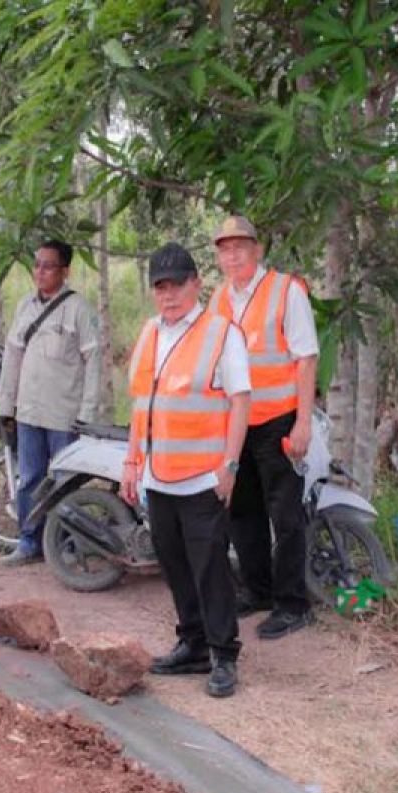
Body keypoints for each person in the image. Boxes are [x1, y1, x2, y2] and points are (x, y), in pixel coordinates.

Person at [120, 243, 250, 699]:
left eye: (177, 284)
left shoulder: (220, 333)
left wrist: (230, 464)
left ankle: (223, 654)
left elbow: (239, 401)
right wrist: (132, 462)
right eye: (160, 285)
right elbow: (142, 403)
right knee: (173, 565)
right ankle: (192, 644)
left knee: (210, 567)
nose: (169, 294)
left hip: (202, 479)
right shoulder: (150, 333)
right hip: (157, 476)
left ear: (196, 283)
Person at [207, 215, 320, 640]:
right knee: (242, 513)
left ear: (257, 250)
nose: (232, 254)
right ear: (218, 256)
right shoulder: (218, 299)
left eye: (240, 246)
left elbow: (306, 358)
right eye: (224, 248)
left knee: (286, 516)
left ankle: (293, 604)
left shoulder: (285, 291)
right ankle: (259, 591)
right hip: (237, 425)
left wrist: (304, 422)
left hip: (279, 422)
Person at [0, 239, 101, 566]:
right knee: (29, 478)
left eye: (48, 266)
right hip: (29, 412)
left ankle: (66, 545)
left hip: (65, 416)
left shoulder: (79, 309)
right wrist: (6, 405)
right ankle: (29, 542)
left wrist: (86, 414)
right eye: (37, 265)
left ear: (65, 271)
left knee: (64, 482)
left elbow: (94, 361)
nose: (40, 272)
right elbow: (13, 356)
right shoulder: (24, 307)